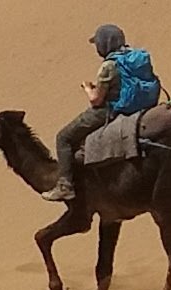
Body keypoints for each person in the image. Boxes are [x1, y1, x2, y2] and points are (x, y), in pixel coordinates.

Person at [47, 21, 164, 197]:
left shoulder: (109, 65)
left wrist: (88, 88)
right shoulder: (136, 57)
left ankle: (66, 185)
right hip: (141, 105)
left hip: (112, 109)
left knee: (63, 137)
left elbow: (96, 100)